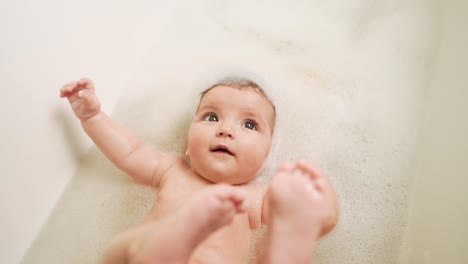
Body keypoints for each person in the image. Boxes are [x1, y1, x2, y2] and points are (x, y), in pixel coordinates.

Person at [60, 77, 339, 264]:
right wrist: (93, 117)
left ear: (267, 155)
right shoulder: (173, 170)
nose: (225, 130)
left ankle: (285, 247)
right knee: (128, 251)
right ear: (188, 147)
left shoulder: (261, 197)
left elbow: (324, 222)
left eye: (249, 125)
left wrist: (312, 203)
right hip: (152, 256)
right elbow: (129, 151)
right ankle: (177, 237)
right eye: (211, 117)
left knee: (127, 249)